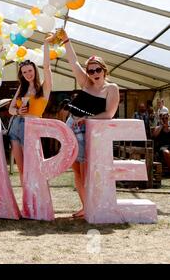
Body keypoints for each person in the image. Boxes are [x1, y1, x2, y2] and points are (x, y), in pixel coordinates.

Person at [57, 29, 120, 218]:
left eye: (97, 69)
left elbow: (109, 114)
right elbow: (73, 62)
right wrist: (66, 40)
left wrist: (87, 119)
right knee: (75, 171)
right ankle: (85, 206)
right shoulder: (86, 83)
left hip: (88, 130)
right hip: (71, 126)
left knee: (86, 172)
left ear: (104, 70)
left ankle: (91, 206)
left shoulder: (112, 88)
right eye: (91, 70)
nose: (94, 73)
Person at [8, 34, 52, 187]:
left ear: (35, 70)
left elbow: (47, 67)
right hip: (16, 127)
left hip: (33, 128)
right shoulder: (22, 88)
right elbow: (11, 109)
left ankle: (38, 200)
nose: (28, 74)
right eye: (24, 72)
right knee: (21, 169)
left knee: (35, 168)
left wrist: (45, 44)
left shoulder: (44, 88)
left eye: (30, 70)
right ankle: (26, 203)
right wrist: (19, 111)